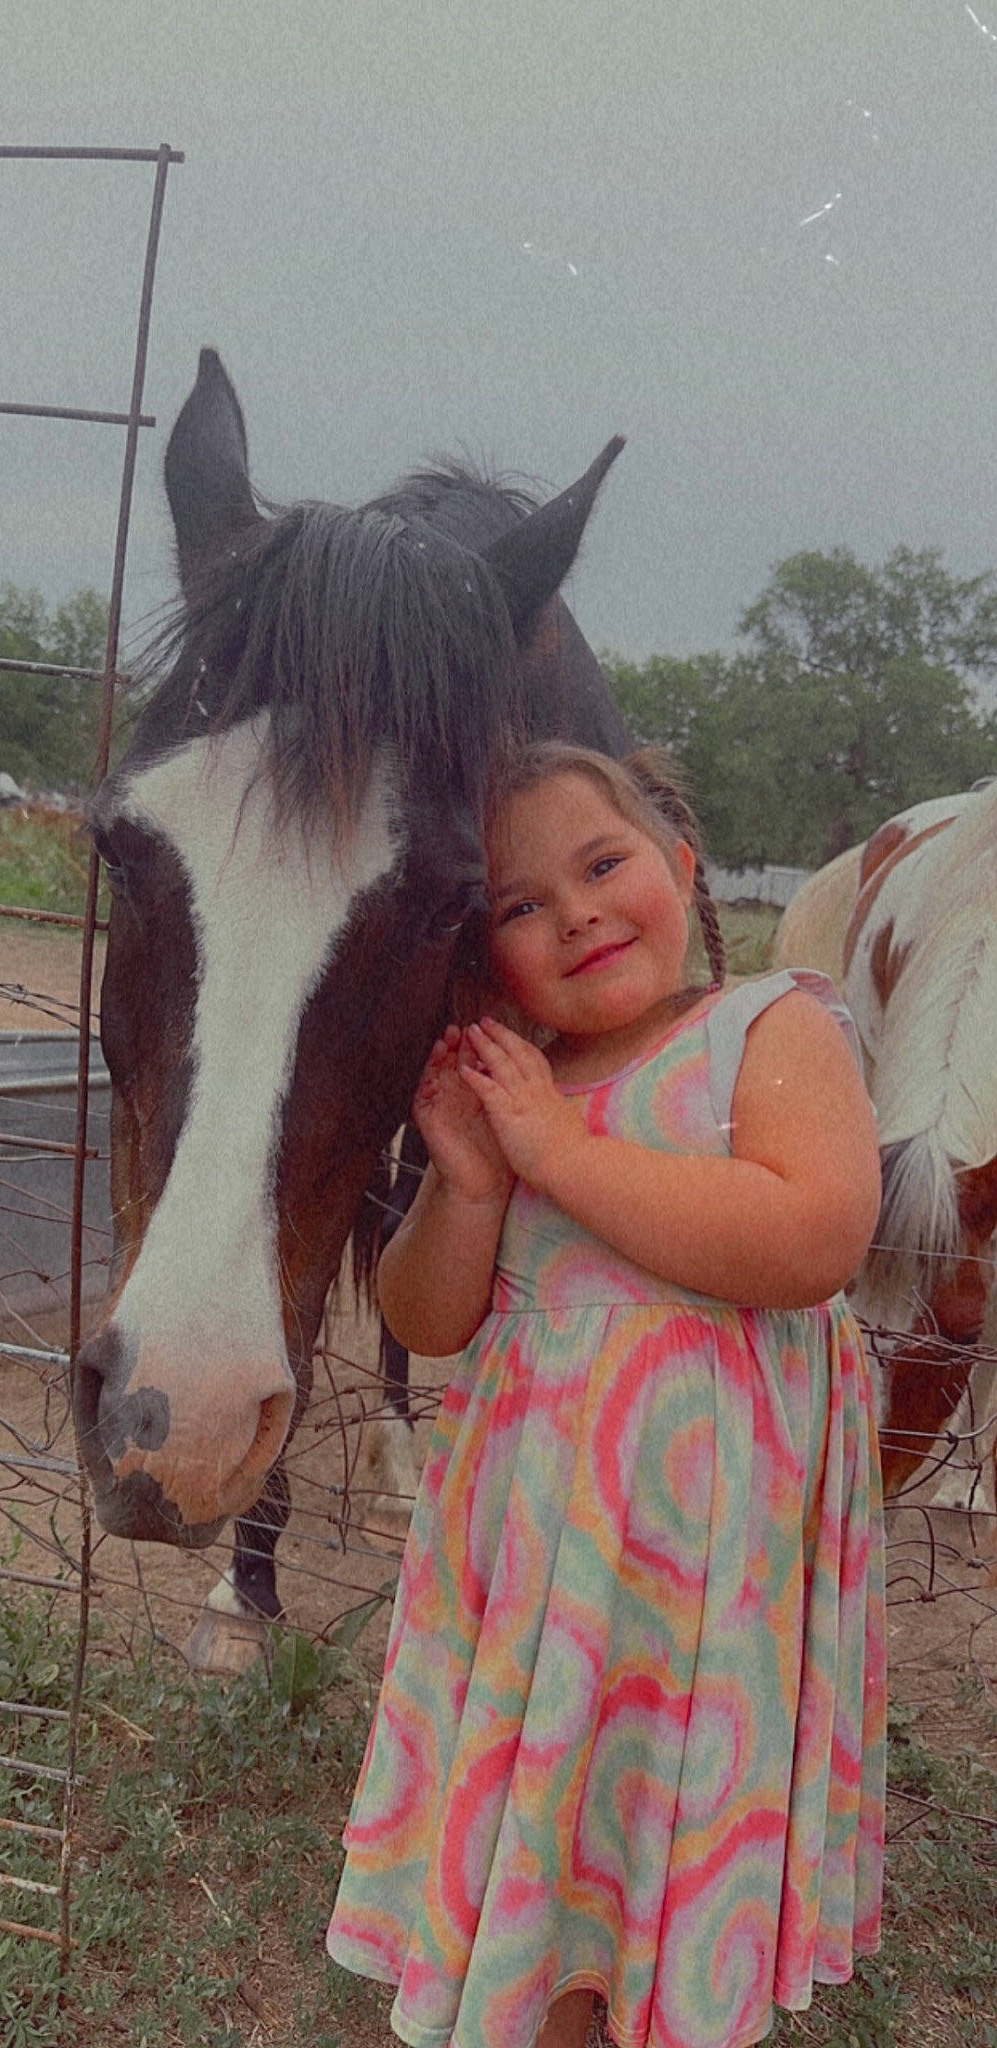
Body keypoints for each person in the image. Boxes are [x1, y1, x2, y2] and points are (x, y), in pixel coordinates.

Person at [326, 742, 886, 2048]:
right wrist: (471, 1181)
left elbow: (809, 1240)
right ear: (487, 955)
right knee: (546, 1873)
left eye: (601, 864)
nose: (572, 912)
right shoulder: (514, 1089)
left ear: (681, 874)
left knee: (653, 1847)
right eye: (520, 905)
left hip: (701, 1602)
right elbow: (426, 1319)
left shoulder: (769, 1028)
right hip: (538, 1594)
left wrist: (562, 1154)